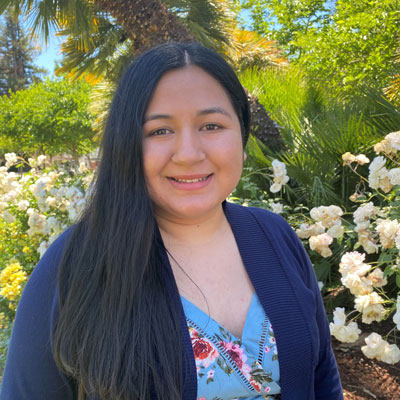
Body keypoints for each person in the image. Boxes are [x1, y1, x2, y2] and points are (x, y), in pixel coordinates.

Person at [0, 42, 343, 400]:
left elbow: (323, 379)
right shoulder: (74, 263)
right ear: (127, 145)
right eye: (160, 131)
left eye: (211, 125)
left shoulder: (275, 235)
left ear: (242, 136)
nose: (189, 154)